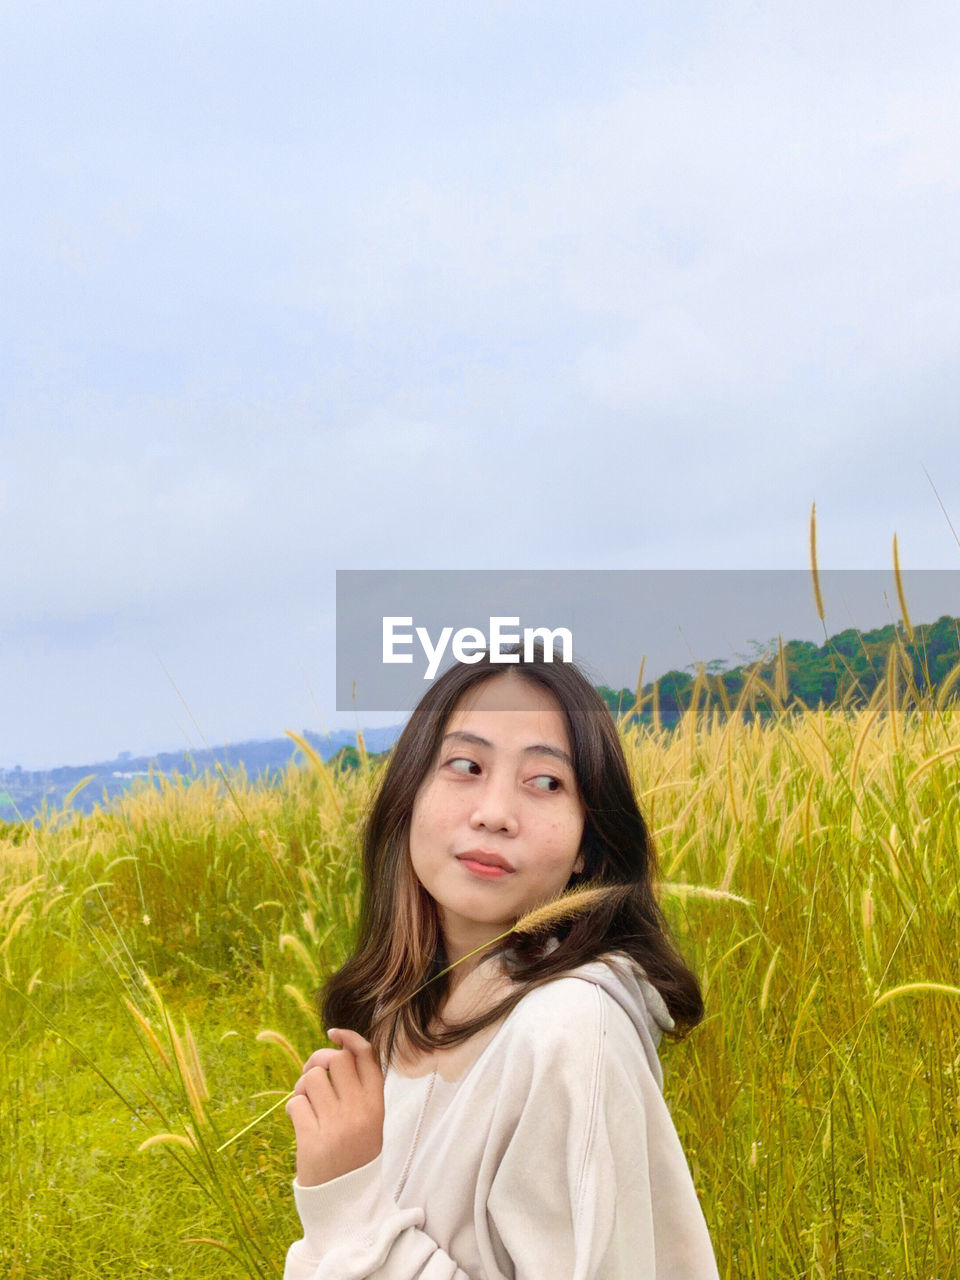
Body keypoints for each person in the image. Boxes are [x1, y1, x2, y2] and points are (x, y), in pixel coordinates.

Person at [282, 644, 721, 1279]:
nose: (494, 814)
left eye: (546, 782)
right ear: (408, 796)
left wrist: (350, 1206)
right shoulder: (397, 1012)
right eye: (465, 765)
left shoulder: (569, 1033)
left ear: (587, 846)